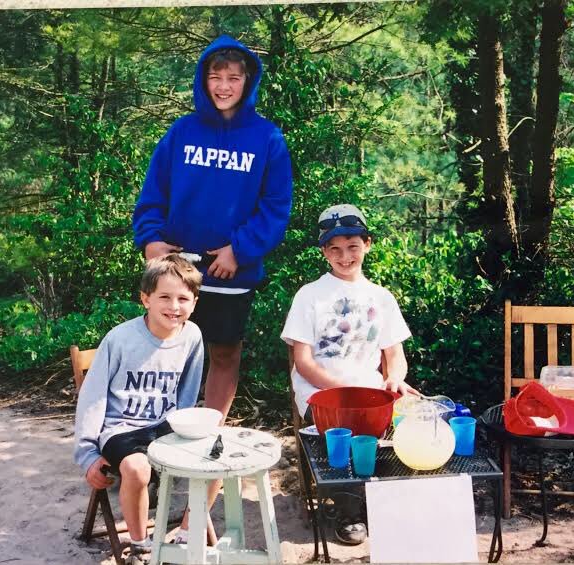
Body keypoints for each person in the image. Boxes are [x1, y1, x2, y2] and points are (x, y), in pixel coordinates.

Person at [132, 33, 292, 544]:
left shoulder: (267, 138)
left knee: (223, 357)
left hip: (229, 272)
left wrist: (239, 250)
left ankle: (203, 445)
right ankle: (157, 458)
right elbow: (152, 195)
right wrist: (152, 243)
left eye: (234, 77)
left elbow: (275, 207)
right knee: (164, 356)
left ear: (248, 82)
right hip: (178, 271)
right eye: (215, 76)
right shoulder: (180, 133)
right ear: (204, 80)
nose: (224, 85)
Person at [281, 204, 418, 545]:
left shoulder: (381, 297)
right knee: (344, 428)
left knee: (413, 420)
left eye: (353, 247)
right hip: (322, 392)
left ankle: (381, 499)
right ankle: (349, 511)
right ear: (324, 251)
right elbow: (303, 362)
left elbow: (394, 356)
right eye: (335, 249)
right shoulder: (309, 296)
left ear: (367, 245)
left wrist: (395, 379)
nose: (345, 256)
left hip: (371, 391)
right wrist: (343, 390)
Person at [74, 254, 204, 564]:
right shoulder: (120, 339)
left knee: (217, 454)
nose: (174, 306)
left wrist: (184, 431)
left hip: (165, 425)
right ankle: (140, 544)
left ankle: (186, 533)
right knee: (137, 469)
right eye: (165, 297)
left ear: (195, 302)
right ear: (145, 299)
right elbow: (92, 398)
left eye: (183, 298)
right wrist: (88, 454)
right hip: (121, 428)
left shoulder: (192, 336)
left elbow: (188, 392)